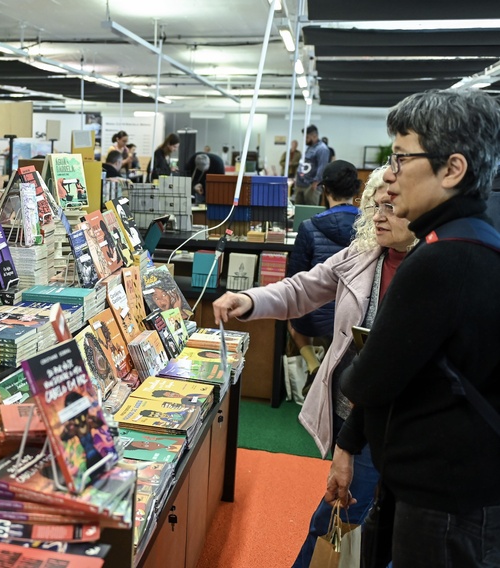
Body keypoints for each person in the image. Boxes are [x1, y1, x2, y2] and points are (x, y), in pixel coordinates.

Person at [213, 166, 415, 568]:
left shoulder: (433, 268)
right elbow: (302, 288)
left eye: (390, 207)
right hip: (349, 411)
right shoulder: (364, 254)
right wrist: (250, 301)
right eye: (375, 207)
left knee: (347, 516)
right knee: (350, 512)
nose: (378, 216)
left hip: (396, 424)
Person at [330, 88, 500, 567]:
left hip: (445, 501)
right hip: (459, 491)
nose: (389, 174)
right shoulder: (476, 242)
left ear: (453, 169)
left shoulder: (442, 259)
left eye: (402, 158)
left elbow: (366, 380)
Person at [288, 160, 361, 392]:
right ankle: (334, 373)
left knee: (293, 322)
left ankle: (314, 367)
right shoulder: (371, 227)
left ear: (325, 190)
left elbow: (296, 278)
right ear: (357, 190)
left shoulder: (308, 227)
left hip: (315, 315)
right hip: (355, 315)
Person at [294, 124, 331, 205]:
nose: (304, 140)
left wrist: (316, 182)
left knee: (309, 211)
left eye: (307, 137)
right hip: (301, 184)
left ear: (314, 136)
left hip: (311, 185)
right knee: (298, 210)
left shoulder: (322, 149)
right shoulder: (310, 147)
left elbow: (322, 166)